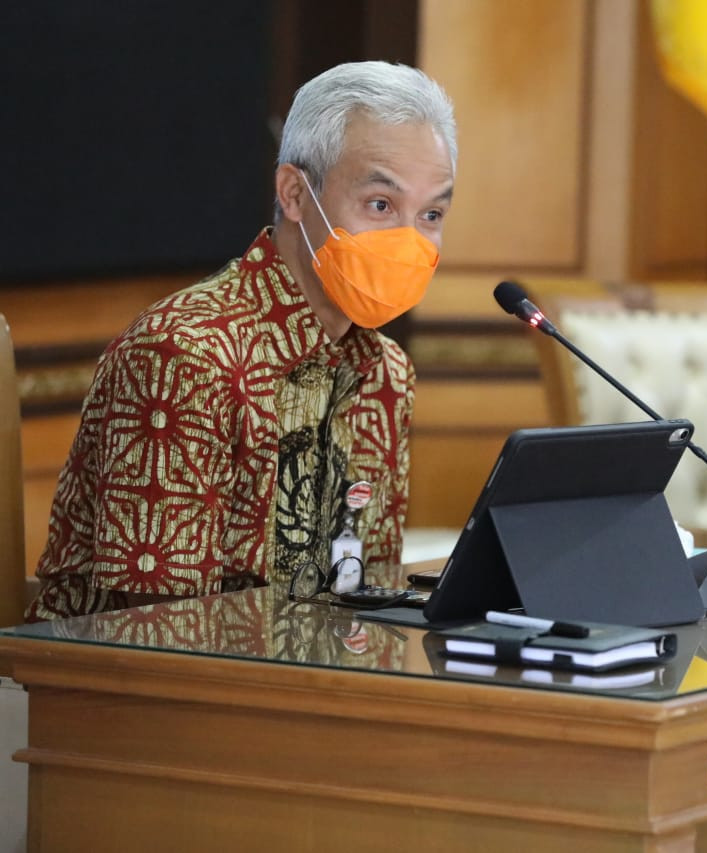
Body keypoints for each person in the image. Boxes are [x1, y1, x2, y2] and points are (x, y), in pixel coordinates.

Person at [26, 61, 456, 620]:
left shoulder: (385, 373)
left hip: (308, 685)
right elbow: (164, 631)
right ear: (296, 195)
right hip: (134, 693)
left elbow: (366, 601)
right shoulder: (183, 357)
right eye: (381, 205)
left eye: (431, 213)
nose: (409, 239)